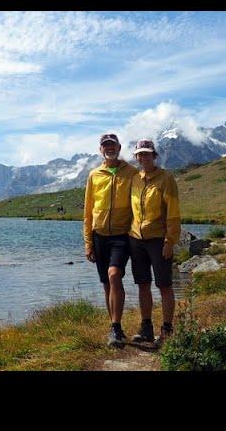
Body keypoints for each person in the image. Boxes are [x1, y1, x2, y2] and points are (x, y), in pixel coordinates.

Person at [84, 133, 138, 347]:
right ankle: (115, 327)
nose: (109, 148)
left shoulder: (131, 173)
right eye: (105, 145)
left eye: (112, 145)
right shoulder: (94, 175)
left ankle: (115, 327)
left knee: (114, 275)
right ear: (100, 150)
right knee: (107, 284)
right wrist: (88, 241)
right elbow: (88, 211)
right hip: (99, 236)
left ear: (119, 147)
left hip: (121, 235)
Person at [128, 139, 181, 347]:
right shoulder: (136, 178)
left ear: (154, 156)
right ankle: (146, 328)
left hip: (159, 240)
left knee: (165, 285)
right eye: (140, 154)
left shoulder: (166, 178)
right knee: (143, 284)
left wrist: (170, 240)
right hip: (136, 239)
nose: (144, 158)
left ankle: (167, 330)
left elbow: (174, 212)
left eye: (147, 154)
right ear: (136, 157)